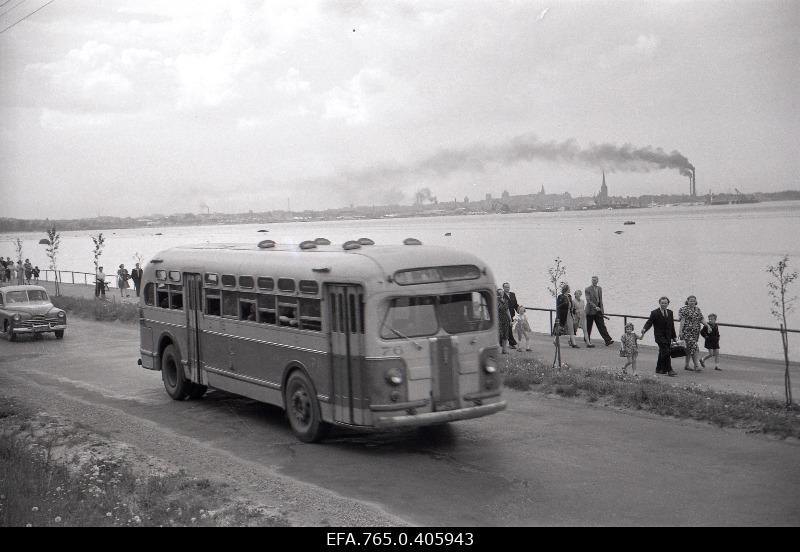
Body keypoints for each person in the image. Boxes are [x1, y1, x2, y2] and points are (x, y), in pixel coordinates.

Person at [641, 296, 678, 377]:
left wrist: (674, 337)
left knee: (662, 352)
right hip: (659, 336)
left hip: (668, 336)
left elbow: (672, 325)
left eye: (665, 303)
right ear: (659, 303)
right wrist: (644, 329)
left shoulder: (670, 312)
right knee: (666, 352)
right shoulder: (654, 313)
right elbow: (649, 322)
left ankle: (659, 369)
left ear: (668, 304)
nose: (664, 304)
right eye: (662, 303)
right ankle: (669, 369)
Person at [584, 276, 614, 347]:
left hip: (598, 311)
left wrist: (601, 310)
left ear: (597, 281)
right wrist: (595, 307)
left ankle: (607, 340)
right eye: (593, 280)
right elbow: (588, 301)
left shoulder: (600, 288)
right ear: (591, 281)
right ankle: (587, 340)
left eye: (595, 280)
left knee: (602, 325)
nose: (594, 281)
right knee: (588, 327)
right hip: (590, 311)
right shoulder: (587, 289)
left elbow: (600, 300)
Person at [678, 295, 704, 372]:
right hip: (687, 332)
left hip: (695, 332)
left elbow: (701, 318)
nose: (692, 302)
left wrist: (707, 326)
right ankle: (696, 365)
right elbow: (682, 321)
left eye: (693, 301)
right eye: (690, 300)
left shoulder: (697, 309)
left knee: (689, 348)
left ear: (696, 302)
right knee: (694, 347)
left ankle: (686, 365)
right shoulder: (683, 309)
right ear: (687, 301)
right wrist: (680, 331)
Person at [556, 284, 580, 348]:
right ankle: (555, 340)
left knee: (571, 329)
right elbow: (558, 307)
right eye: (569, 288)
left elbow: (571, 305)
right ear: (566, 289)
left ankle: (574, 344)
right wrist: (558, 317)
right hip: (563, 315)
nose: (570, 289)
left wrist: (574, 311)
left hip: (570, 314)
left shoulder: (569, 296)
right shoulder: (560, 297)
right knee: (560, 329)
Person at [501, 282, 519, 348]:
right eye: (506, 287)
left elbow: (515, 304)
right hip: (505, 315)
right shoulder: (501, 295)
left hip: (512, 314)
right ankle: (511, 343)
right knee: (508, 328)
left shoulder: (512, 294)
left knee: (509, 328)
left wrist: (519, 310)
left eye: (508, 287)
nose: (507, 288)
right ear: (503, 288)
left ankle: (508, 343)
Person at [497, 288, 511, 354]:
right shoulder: (496, 300)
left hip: (505, 319)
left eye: (502, 293)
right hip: (499, 319)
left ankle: (504, 350)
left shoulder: (506, 300)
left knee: (505, 335)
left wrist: (510, 319)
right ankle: (499, 349)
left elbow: (507, 310)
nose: (501, 294)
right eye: (499, 293)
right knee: (500, 334)